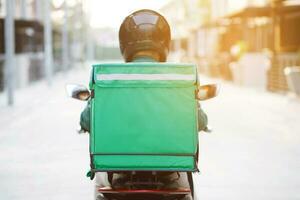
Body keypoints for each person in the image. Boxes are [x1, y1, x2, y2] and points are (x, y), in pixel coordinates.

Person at [80, 9, 207, 191]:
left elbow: (87, 120)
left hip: (117, 176)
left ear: (124, 43)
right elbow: (200, 121)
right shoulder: (179, 78)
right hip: (170, 175)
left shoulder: (108, 78)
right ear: (165, 42)